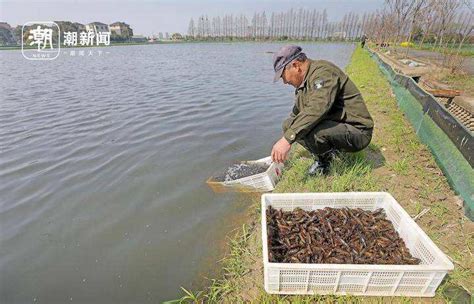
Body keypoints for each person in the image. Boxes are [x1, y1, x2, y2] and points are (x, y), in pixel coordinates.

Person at [270, 45, 374, 175]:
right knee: (288, 124)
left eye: (283, 76)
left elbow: (317, 108)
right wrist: (284, 139)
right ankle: (329, 150)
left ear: (296, 66)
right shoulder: (304, 84)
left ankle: (324, 162)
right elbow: (295, 115)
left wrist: (287, 139)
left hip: (358, 132)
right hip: (338, 125)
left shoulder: (323, 72)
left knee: (314, 132)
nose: (284, 82)